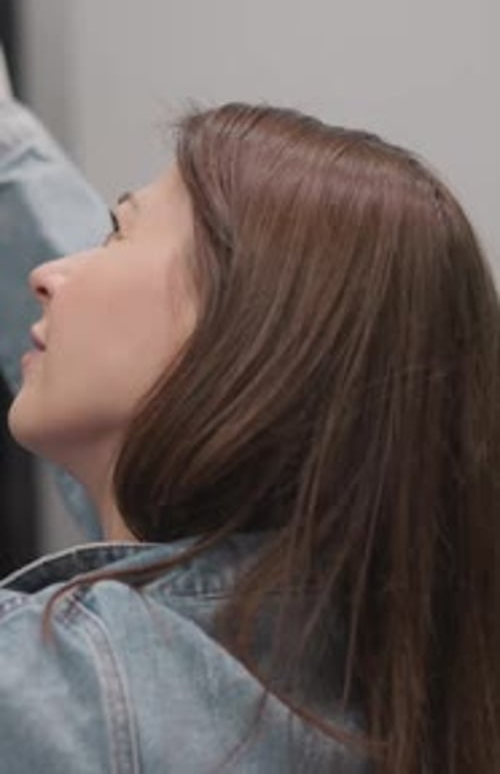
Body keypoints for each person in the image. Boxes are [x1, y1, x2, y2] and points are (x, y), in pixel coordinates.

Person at [0, 90, 499, 774]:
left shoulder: (62, 694)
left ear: (249, 339)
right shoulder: (400, 688)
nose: (48, 278)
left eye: (116, 230)